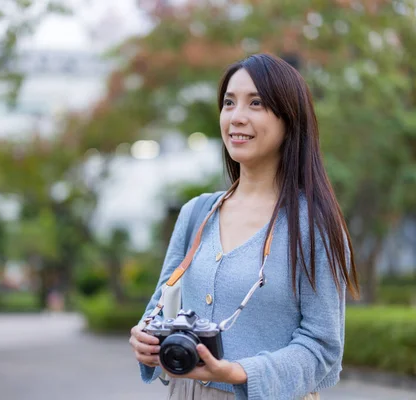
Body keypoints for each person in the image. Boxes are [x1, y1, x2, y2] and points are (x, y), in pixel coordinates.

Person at [129, 53, 360, 400]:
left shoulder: (314, 226)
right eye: (229, 103)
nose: (237, 117)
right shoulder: (196, 214)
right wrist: (146, 339)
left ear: (289, 120)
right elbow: (159, 309)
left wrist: (240, 373)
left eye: (256, 103)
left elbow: (323, 348)